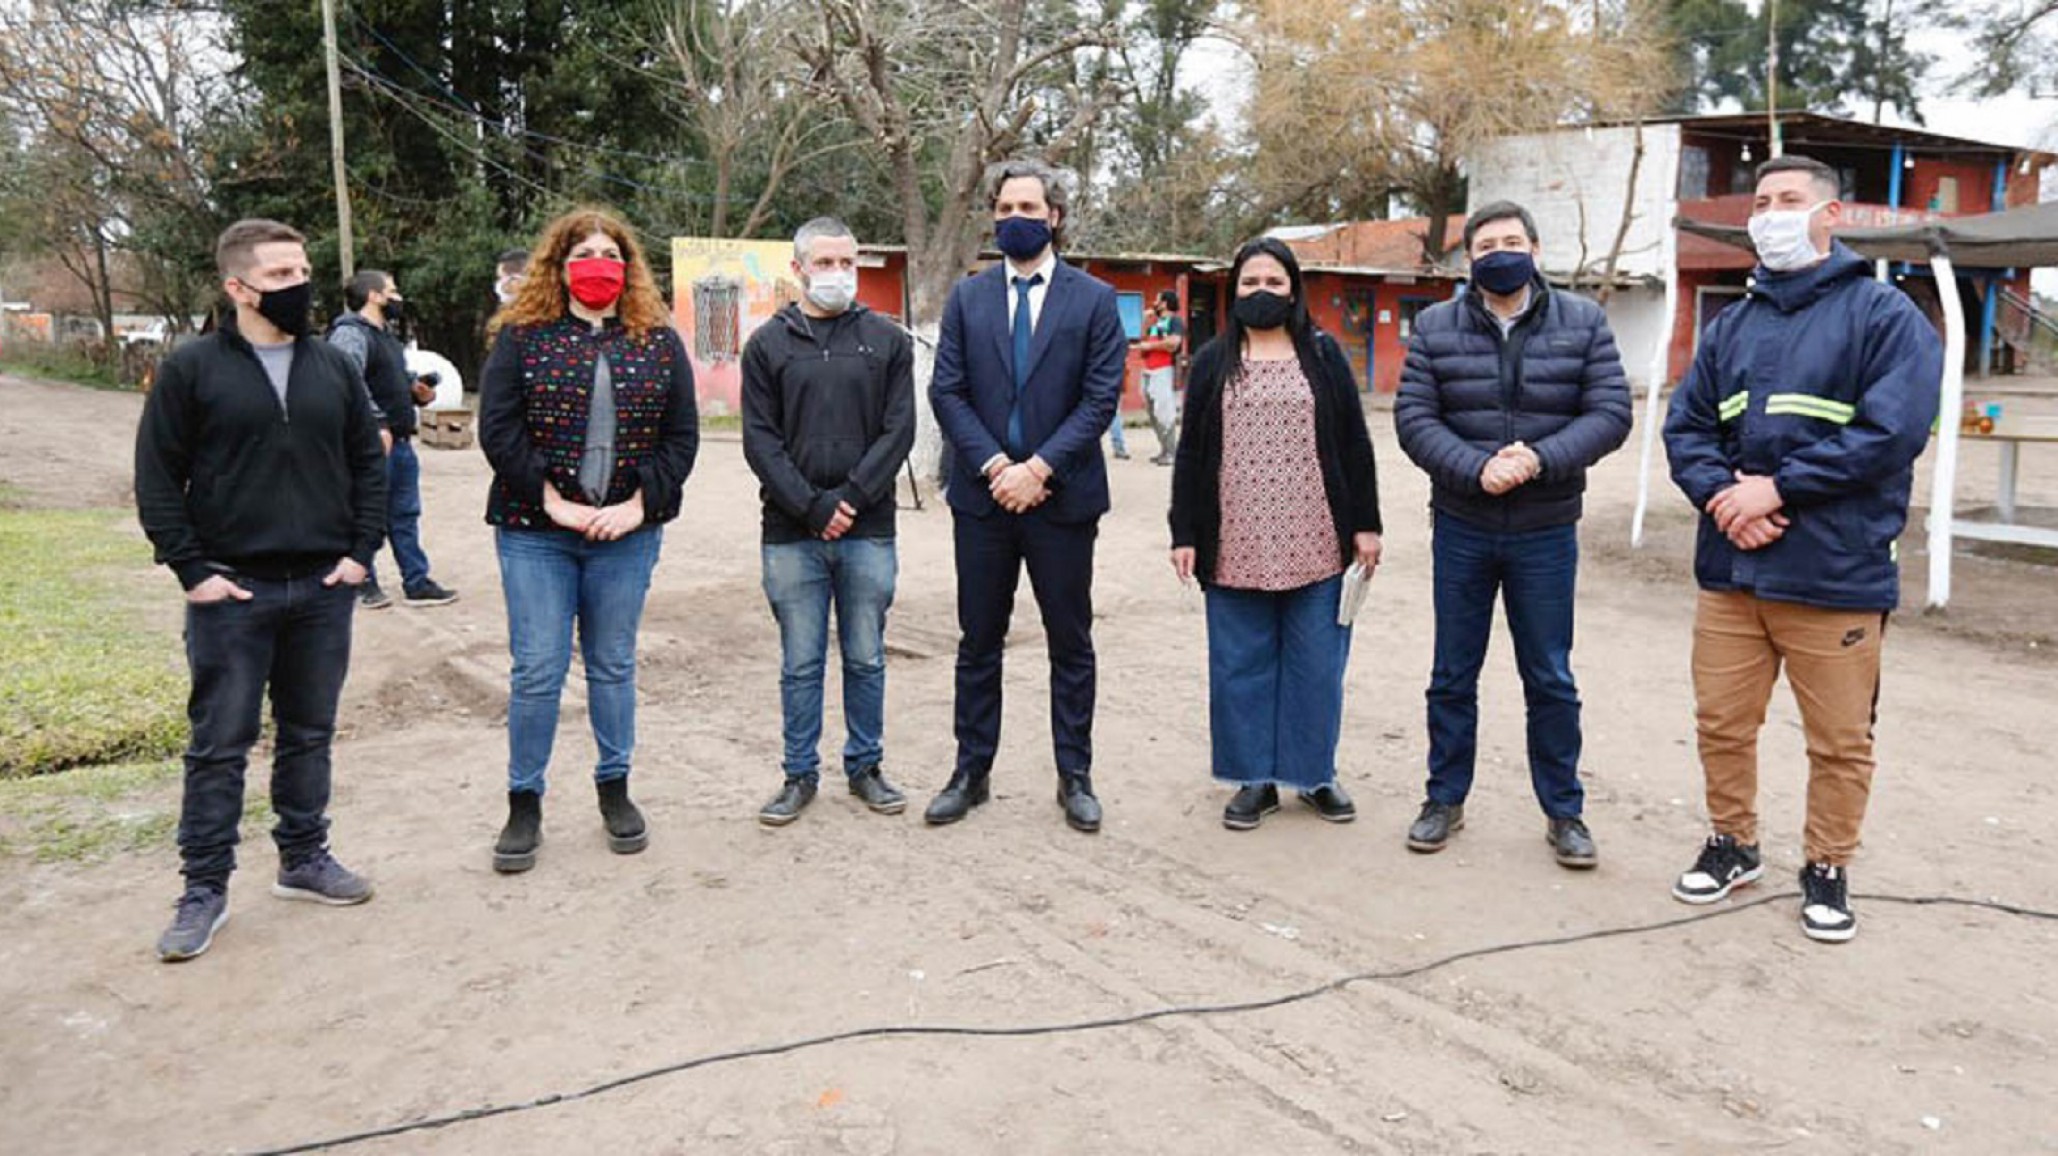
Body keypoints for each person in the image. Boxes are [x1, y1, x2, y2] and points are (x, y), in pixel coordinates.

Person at [1663, 155, 1942, 943]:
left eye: (1788, 200)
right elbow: (1686, 428)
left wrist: (1777, 490)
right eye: (1760, 201)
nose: (1770, 213)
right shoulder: (1733, 325)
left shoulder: (1885, 317)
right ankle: (1734, 843)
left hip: (1833, 573)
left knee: (1840, 741)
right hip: (1732, 568)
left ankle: (1828, 866)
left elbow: (1891, 433)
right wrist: (1727, 498)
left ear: (1831, 215)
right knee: (1722, 722)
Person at [134, 218, 387, 962]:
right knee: (220, 745)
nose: (298, 286)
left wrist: (359, 554)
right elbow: (157, 476)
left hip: (321, 588)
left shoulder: (333, 368)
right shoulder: (192, 370)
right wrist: (192, 570)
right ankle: (204, 889)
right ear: (236, 286)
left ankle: (303, 858)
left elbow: (367, 466)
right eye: (280, 276)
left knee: (309, 734)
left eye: (302, 270)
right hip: (232, 592)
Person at [1392, 200, 1631, 869]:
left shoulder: (1581, 320)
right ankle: (1444, 798)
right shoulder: (1437, 326)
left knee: (1550, 676)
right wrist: (1475, 469)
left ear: (1535, 246)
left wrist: (1538, 459)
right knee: (1451, 674)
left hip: (1546, 529)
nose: (1501, 251)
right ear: (1469, 258)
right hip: (1463, 526)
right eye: (1487, 243)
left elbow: (1610, 411)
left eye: (1513, 240)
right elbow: (1414, 416)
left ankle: (1564, 810)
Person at [478, 207, 699, 873]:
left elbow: (680, 438)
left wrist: (638, 506)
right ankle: (524, 800)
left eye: (610, 253)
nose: (598, 264)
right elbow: (500, 430)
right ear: (559, 265)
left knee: (612, 664)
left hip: (627, 533)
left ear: (627, 266)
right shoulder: (522, 337)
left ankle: (615, 787)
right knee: (539, 668)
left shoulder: (658, 341)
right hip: (535, 533)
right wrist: (551, 502)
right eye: (584, 254)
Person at [928, 158, 1126, 833]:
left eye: (1028, 209)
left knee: (1069, 641)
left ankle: (1075, 775)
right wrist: (993, 467)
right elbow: (947, 390)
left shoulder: (1094, 301)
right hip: (984, 503)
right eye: (1005, 209)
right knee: (978, 639)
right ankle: (970, 771)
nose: (1015, 220)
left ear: (1056, 216)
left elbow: (1100, 399)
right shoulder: (968, 297)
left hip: (1062, 501)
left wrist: (1038, 468)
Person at [1168, 239, 1382, 829]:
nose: (1262, 292)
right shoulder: (1213, 360)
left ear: (1294, 290)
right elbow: (1190, 454)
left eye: (1274, 282)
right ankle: (1254, 779)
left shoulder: (1322, 354)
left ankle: (1314, 775)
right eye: (1250, 283)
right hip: (1235, 540)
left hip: (1316, 539)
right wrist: (1184, 531)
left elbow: (1354, 444)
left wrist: (1366, 524)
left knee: (1316, 666)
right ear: (1234, 291)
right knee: (1240, 665)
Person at [743, 218, 917, 826]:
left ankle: (865, 766)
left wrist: (851, 497)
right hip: (792, 533)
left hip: (868, 529)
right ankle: (798, 773)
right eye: (824, 263)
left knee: (867, 655)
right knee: (800, 660)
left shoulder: (886, 341)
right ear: (798, 269)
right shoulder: (767, 345)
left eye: (847, 263)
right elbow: (760, 442)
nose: (837, 274)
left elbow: (900, 431)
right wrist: (812, 505)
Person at [327, 269, 458, 610]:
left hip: (400, 443)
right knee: (364, 512)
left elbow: (389, 381)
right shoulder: (349, 335)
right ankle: (361, 581)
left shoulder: (386, 336)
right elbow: (347, 382)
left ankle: (416, 581)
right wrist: (376, 422)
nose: (397, 297)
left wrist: (417, 392)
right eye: (392, 290)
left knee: (405, 514)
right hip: (370, 442)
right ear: (373, 295)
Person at [1137, 288, 1185, 464]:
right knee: (1152, 411)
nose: (1154, 303)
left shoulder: (1175, 321)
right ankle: (1163, 449)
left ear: (1164, 303)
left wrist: (1151, 347)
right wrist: (1145, 322)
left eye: (1157, 300)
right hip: (1148, 369)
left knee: (1164, 411)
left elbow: (1174, 343)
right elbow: (1144, 342)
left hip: (1164, 370)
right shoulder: (1156, 322)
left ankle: (1171, 452)